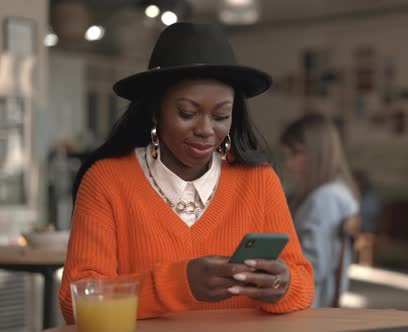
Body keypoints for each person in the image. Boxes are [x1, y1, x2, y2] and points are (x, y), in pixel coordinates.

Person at [59, 23, 314, 324]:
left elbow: (303, 284)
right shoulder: (107, 181)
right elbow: (76, 303)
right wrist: (181, 284)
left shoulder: (258, 180)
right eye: (187, 113)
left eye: (221, 116)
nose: (206, 130)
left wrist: (280, 285)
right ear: (156, 110)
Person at [280, 112, 359, 308]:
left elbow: (314, 266)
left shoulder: (326, 199)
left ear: (317, 153)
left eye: (295, 153)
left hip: (309, 304)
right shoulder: (336, 191)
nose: (289, 163)